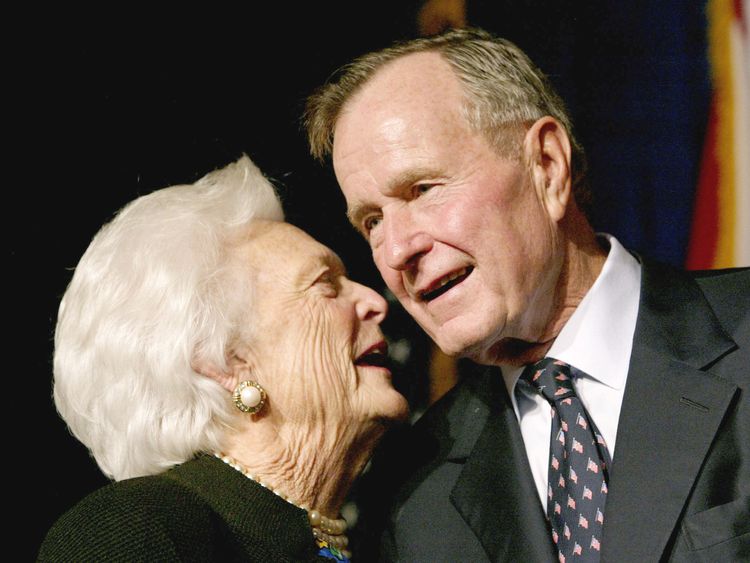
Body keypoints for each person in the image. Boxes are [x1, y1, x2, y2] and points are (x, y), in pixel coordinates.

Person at [304, 27, 750, 562]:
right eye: (372, 221)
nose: (397, 249)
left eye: (422, 190)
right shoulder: (412, 489)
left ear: (547, 166)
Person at [38, 156, 409, 562]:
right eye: (326, 285)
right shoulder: (135, 532)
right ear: (226, 361)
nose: (375, 301)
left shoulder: (381, 534)